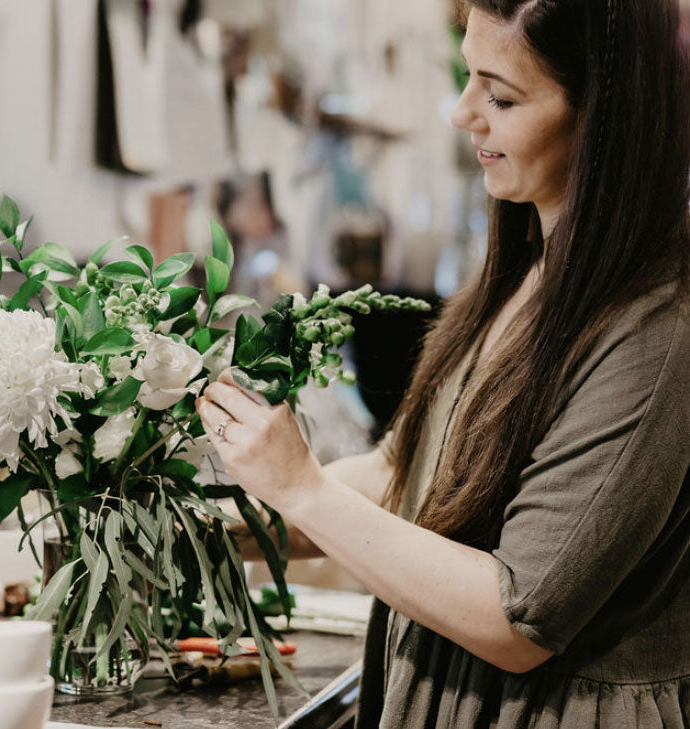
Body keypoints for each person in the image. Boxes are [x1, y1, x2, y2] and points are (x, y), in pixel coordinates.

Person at [198, 0, 690, 726]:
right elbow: (402, 472)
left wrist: (302, 488)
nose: (462, 114)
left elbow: (516, 618)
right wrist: (218, 523)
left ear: (602, 119)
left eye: (500, 95)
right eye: (468, 79)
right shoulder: (526, 269)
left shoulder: (656, 331)